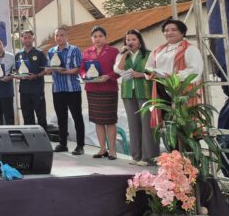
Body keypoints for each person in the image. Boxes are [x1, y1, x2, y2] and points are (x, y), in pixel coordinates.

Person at [145, 19, 204, 127]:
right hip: (161, 86)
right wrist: (152, 72)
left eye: (173, 30)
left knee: (182, 121)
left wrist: (173, 77)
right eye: (166, 30)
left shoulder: (190, 49)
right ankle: (169, 137)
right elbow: (148, 66)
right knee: (166, 118)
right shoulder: (158, 50)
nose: (169, 32)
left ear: (182, 32)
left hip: (180, 88)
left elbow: (195, 70)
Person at [115, 29, 157, 166]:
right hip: (128, 92)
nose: (130, 42)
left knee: (146, 124)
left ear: (139, 41)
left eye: (133, 39)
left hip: (144, 91)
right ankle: (136, 156)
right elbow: (118, 69)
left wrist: (141, 74)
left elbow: (153, 71)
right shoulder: (122, 54)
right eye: (128, 40)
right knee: (133, 124)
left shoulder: (148, 54)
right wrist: (124, 55)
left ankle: (148, 157)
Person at [80, 26, 120, 160]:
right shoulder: (87, 52)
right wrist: (84, 75)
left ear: (105, 37)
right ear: (91, 38)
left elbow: (119, 70)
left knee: (110, 121)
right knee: (98, 121)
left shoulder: (114, 51)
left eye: (100, 36)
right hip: (92, 90)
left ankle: (112, 150)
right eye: (95, 36)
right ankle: (102, 149)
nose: (97, 39)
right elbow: (82, 69)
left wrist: (108, 76)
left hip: (108, 89)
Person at [46, 27, 85, 156]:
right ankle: (63, 144)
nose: (59, 38)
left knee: (77, 117)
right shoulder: (51, 51)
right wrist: (49, 69)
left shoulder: (74, 50)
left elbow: (78, 68)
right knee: (61, 118)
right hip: (57, 89)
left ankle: (80, 146)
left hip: (72, 89)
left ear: (66, 37)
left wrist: (65, 72)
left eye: (62, 35)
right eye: (57, 35)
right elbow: (48, 68)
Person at [12, 32, 48, 129]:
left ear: (33, 39)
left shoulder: (39, 53)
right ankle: (29, 137)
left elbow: (46, 70)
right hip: (24, 90)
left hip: (37, 90)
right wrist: (18, 76)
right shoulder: (18, 55)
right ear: (21, 39)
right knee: (27, 116)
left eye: (29, 37)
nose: (27, 39)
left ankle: (43, 137)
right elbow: (15, 70)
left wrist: (36, 76)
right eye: (25, 38)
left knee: (41, 116)